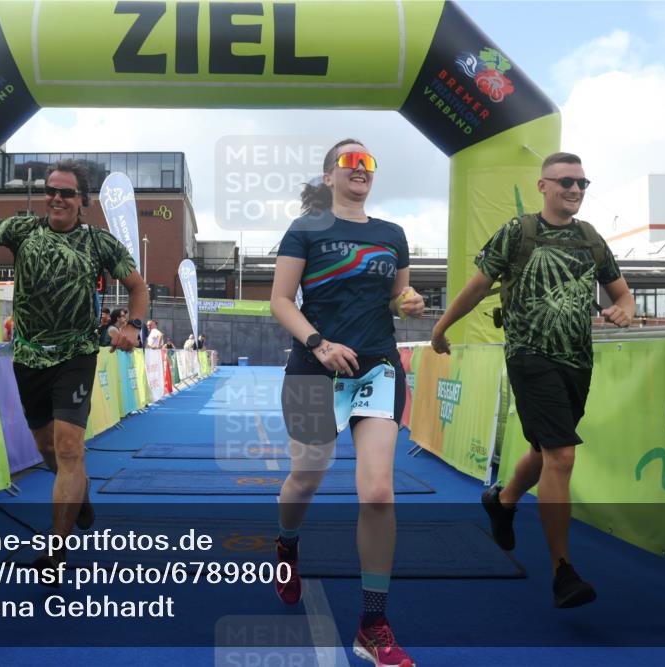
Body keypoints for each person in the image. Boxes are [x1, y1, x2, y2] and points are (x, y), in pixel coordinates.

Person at [430, 152, 634, 609]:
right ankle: (563, 571)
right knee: (561, 454)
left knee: (544, 451)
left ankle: (502, 502)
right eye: (566, 181)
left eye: (583, 182)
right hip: (529, 356)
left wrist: (627, 309)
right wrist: (441, 328)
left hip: (577, 361)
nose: (576, 190)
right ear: (543, 186)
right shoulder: (518, 232)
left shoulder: (590, 238)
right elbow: (477, 286)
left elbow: (621, 291)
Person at [0, 159, 149, 580]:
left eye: (67, 193)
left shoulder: (100, 242)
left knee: (69, 448)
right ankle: (79, 496)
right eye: (51, 191)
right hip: (28, 358)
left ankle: (56, 552)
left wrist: (133, 326)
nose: (57, 198)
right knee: (48, 453)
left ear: (83, 201)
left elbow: (138, 287)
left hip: (76, 354)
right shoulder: (23, 229)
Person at [270, 138, 424, 667]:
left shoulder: (392, 235)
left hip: (378, 367)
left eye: (368, 163)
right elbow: (281, 299)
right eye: (350, 162)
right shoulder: (306, 229)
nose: (361, 170)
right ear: (329, 174)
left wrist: (409, 301)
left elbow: (399, 300)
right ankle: (287, 543)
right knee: (308, 474)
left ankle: (373, 624)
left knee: (378, 491)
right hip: (315, 368)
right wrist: (319, 343)